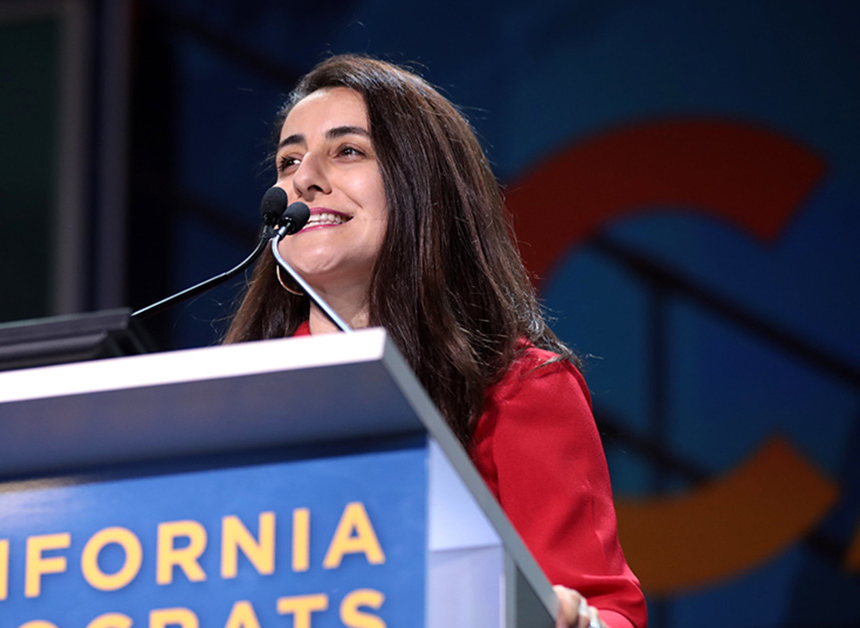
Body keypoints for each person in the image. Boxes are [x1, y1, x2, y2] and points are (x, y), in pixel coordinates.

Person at [225, 54, 647, 628]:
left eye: (347, 151)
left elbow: (601, 609)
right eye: (288, 160)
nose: (303, 179)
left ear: (423, 186)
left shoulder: (517, 390)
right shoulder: (230, 400)